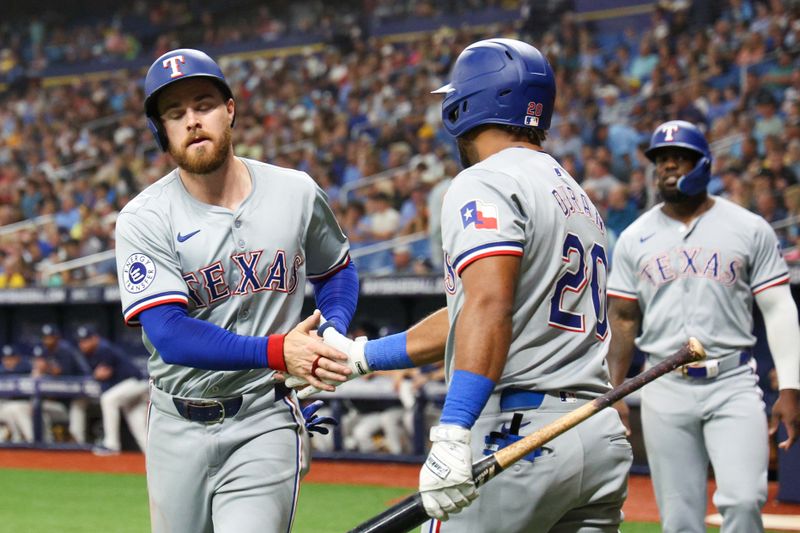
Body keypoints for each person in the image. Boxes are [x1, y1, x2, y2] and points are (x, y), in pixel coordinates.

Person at [291, 38, 632, 531]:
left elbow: (488, 306)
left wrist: (452, 432)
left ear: (465, 104)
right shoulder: (575, 194)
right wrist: (362, 356)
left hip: (518, 428)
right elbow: (474, 311)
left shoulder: (484, 180)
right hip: (596, 431)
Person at [113, 48, 358, 533]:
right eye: (175, 113)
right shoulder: (144, 218)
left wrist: (329, 334)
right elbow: (169, 334)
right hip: (174, 423)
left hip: (263, 417)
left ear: (230, 109)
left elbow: (337, 270)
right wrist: (279, 350)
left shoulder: (296, 192)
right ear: (161, 131)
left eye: (203, 104)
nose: (192, 121)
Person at [607, 120, 800, 533]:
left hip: (731, 381)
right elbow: (622, 319)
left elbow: (779, 307)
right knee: (679, 520)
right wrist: (614, 390)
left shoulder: (748, 228)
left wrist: (790, 386)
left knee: (746, 499)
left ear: (703, 164)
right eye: (661, 160)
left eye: (679, 158)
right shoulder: (635, 237)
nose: (668, 167)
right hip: (663, 382)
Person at [73, 325, 148, 455]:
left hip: (134, 383)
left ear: (95, 338)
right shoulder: (90, 353)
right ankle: (152, 455)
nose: (83, 344)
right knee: (138, 427)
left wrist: (96, 376)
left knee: (108, 399)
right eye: (81, 341)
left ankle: (111, 444)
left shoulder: (103, 348)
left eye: (86, 340)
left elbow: (103, 374)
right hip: (131, 387)